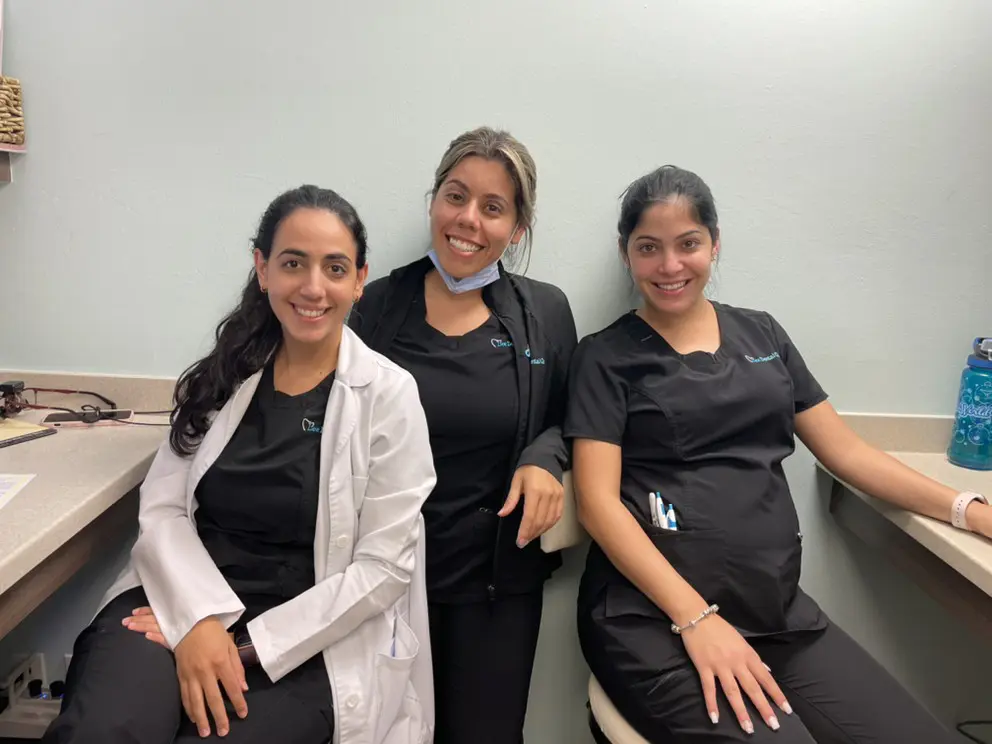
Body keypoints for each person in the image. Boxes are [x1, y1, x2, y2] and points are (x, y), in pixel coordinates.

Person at [565, 165, 980, 743]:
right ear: (626, 253)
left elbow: (848, 454)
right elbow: (598, 504)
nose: (670, 266)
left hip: (776, 616)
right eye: (648, 248)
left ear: (714, 243)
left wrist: (969, 510)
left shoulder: (762, 335)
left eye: (688, 244)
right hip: (653, 622)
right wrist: (696, 619)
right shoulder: (605, 357)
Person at [43, 185, 437, 744]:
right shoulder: (224, 375)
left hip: (303, 638)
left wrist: (245, 644)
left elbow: (383, 570)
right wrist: (198, 623)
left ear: (359, 279)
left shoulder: (389, 396)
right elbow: (164, 509)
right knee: (106, 728)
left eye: (335, 267)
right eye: (293, 263)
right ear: (263, 268)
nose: (313, 287)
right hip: (175, 599)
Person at [349, 127, 577, 744]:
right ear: (433, 201)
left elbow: (568, 417)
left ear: (517, 230)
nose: (468, 219)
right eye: (456, 195)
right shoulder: (373, 307)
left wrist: (544, 457)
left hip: (494, 584)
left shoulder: (545, 313)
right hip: (381, 578)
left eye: (493, 207)